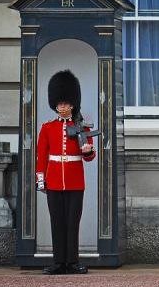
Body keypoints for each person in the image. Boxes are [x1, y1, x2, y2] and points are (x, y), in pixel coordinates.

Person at [36, 70, 96, 275]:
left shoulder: (82, 127)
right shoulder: (47, 128)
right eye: (59, 103)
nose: (62, 106)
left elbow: (88, 157)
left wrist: (88, 150)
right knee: (57, 222)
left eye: (65, 103)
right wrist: (40, 179)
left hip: (75, 181)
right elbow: (41, 156)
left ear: (72, 104)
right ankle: (58, 261)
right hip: (53, 180)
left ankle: (72, 261)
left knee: (72, 222)